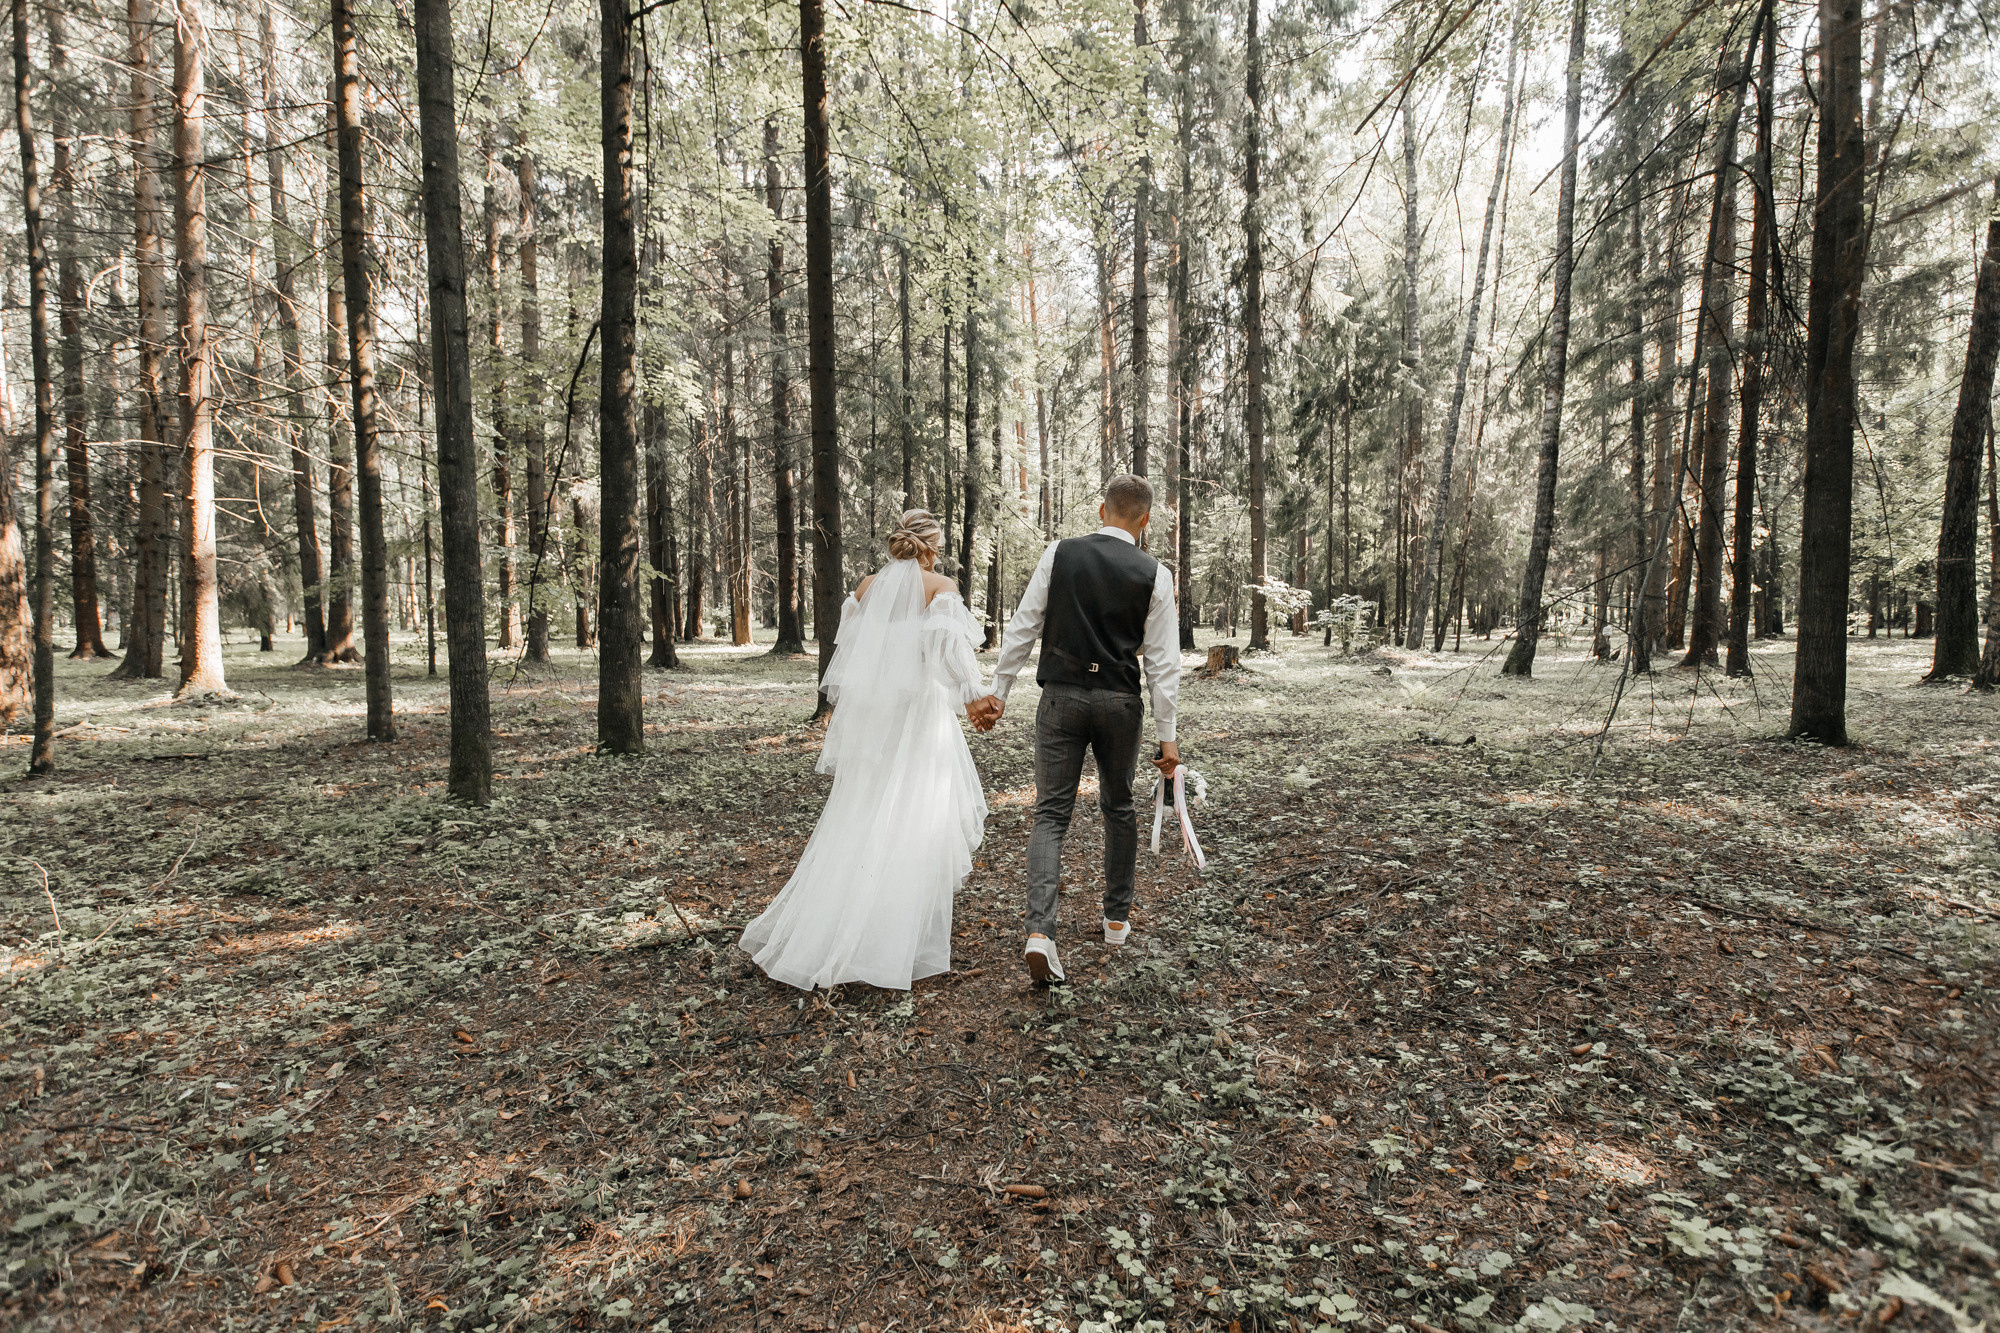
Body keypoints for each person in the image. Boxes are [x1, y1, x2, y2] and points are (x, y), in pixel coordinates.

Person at [738, 511, 990, 990]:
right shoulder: (940, 587)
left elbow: (850, 658)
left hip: (875, 720)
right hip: (918, 716)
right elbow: (950, 654)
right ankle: (896, 937)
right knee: (914, 814)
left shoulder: (864, 588)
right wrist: (976, 695)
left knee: (863, 812)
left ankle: (846, 927)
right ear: (933, 545)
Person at [968, 475, 1182, 985]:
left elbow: (1025, 623)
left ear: (1102, 509)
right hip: (1119, 702)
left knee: (1050, 813)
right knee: (1119, 806)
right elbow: (1162, 663)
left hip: (1060, 697)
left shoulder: (1059, 553)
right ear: (1145, 519)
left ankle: (1040, 932)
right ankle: (1115, 921)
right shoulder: (1156, 574)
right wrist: (1167, 735)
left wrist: (1000, 690)